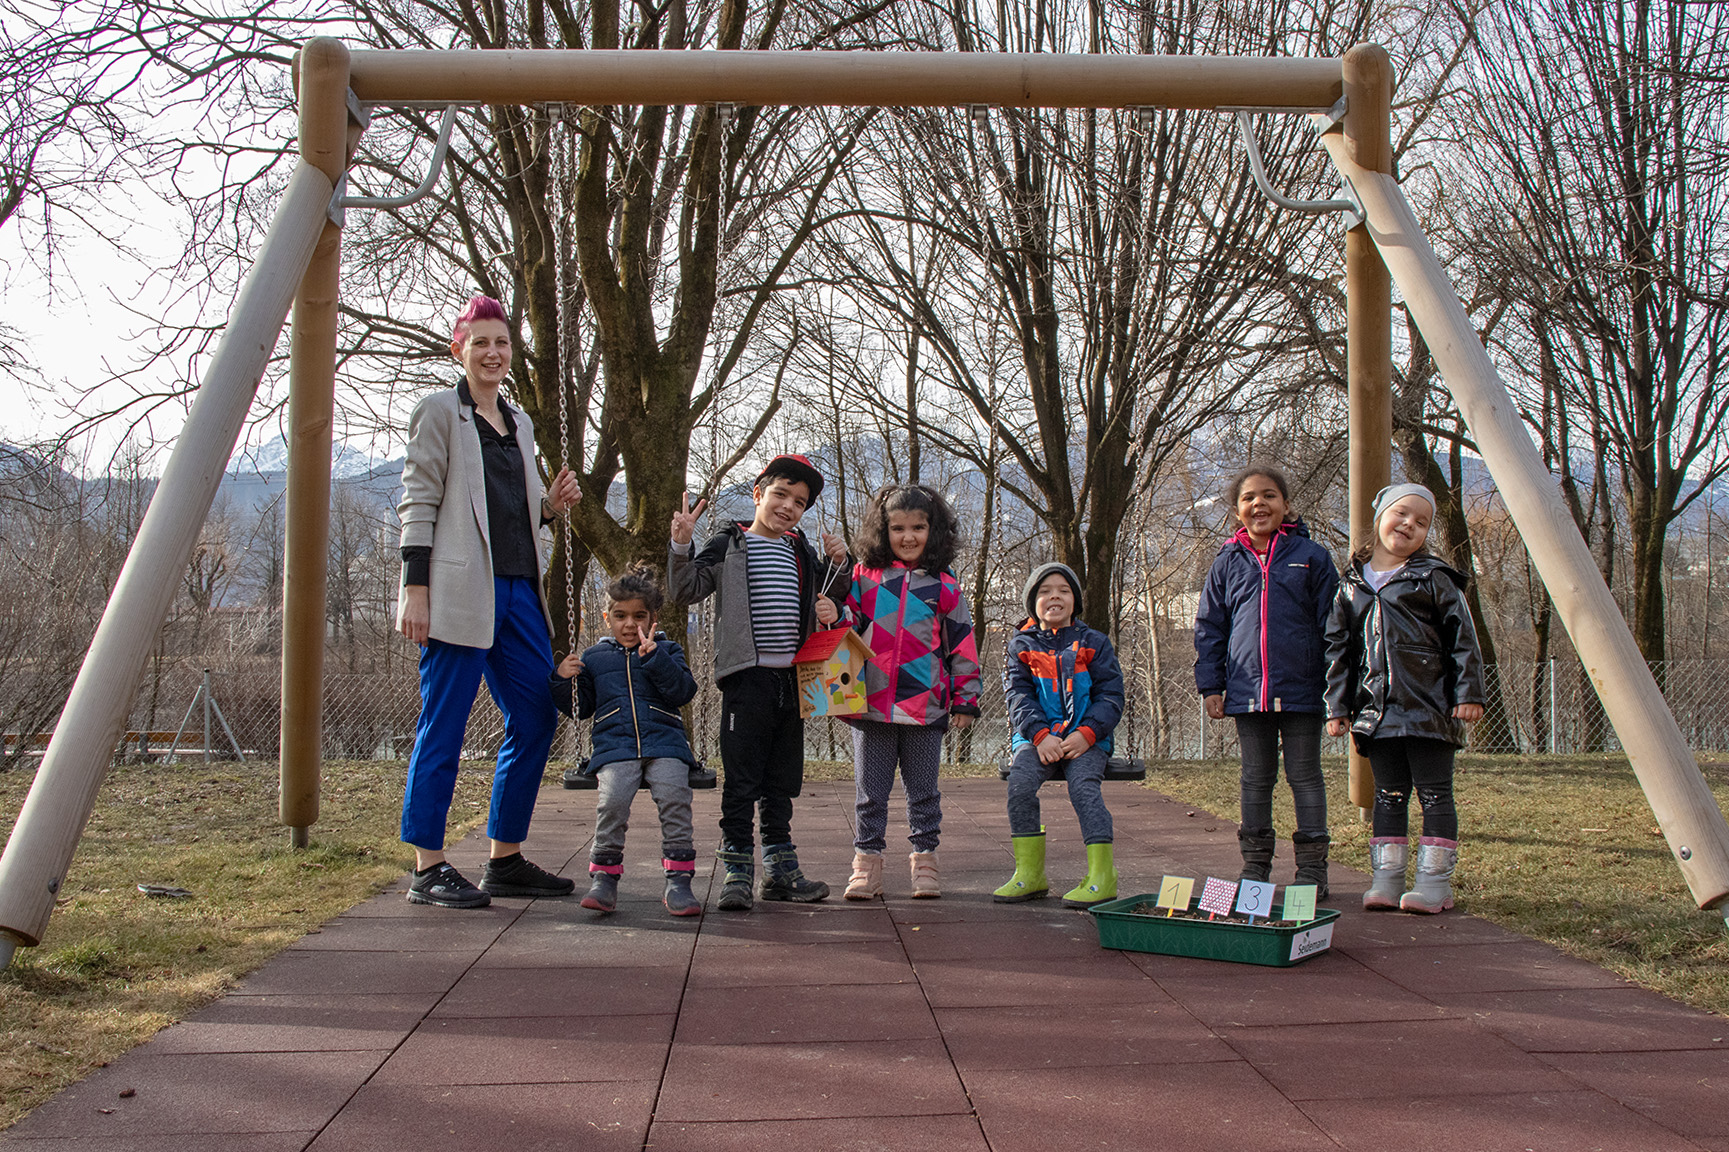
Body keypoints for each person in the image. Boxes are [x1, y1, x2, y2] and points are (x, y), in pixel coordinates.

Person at [396, 294, 582, 909]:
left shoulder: (519, 422)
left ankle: (504, 858)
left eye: (501, 342)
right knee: (443, 726)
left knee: (535, 717)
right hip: (456, 590)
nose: (493, 352)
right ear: (459, 348)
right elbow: (419, 502)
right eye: (481, 342)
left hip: (518, 591)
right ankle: (428, 865)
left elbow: (512, 510)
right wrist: (414, 589)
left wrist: (550, 507)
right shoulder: (439, 413)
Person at [667, 455, 848, 912]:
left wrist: (841, 565)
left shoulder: (800, 551)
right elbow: (685, 590)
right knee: (742, 780)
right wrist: (681, 545)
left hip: (794, 678)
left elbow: (832, 597)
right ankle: (737, 871)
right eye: (781, 495)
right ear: (758, 494)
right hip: (746, 680)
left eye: (799, 502)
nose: (788, 507)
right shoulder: (730, 542)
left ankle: (781, 870)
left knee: (781, 779)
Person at [1325, 483, 1485, 914]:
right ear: (1379, 518)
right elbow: (1339, 649)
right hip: (1377, 712)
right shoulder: (1351, 585)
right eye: (1401, 514)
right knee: (1389, 794)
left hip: (1430, 707)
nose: (1409, 524)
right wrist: (1337, 706)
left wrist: (1467, 693)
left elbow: (1462, 639)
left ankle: (1434, 883)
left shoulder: (1434, 577)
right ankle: (1387, 879)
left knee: (1434, 793)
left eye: (1421, 521)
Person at [1194, 466, 1340, 895]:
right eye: (1249, 498)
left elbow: (1333, 625)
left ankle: (1313, 870)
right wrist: (1212, 685)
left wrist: (1335, 687)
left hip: (1302, 690)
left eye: (1270, 496)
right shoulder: (1226, 562)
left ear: (1286, 505)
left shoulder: (1311, 557)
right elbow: (1209, 628)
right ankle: (1255, 866)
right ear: (1238, 511)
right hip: (1246, 691)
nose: (1259, 504)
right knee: (1256, 778)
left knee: (1305, 776)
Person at [835, 485, 982, 901]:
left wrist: (965, 698)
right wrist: (835, 610)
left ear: (933, 531)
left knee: (924, 792)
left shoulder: (945, 587)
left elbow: (962, 647)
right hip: (871, 705)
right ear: (884, 531)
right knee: (870, 793)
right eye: (898, 528)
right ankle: (866, 864)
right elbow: (847, 623)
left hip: (925, 707)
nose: (908, 537)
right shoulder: (865, 577)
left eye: (918, 527)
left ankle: (926, 859)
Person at [551, 565, 702, 917]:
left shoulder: (668, 650)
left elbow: (683, 691)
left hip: (665, 744)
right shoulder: (594, 658)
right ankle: (604, 878)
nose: (629, 625)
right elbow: (581, 708)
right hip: (615, 747)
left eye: (638, 616)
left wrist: (656, 660)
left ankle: (679, 881)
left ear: (653, 618)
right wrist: (562, 681)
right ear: (607, 618)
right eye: (620, 616)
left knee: (675, 799)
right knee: (613, 802)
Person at [995, 562, 1126, 908]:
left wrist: (1087, 733)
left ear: (1075, 601)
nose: (1054, 596)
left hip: (1086, 739)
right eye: (1045, 591)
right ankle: (1030, 873)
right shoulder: (1020, 646)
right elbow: (1018, 697)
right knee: (1020, 786)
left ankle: (1102, 875)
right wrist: (1039, 736)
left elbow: (1111, 696)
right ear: (1032, 603)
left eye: (1064, 591)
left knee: (1084, 788)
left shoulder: (1094, 643)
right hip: (1037, 739)